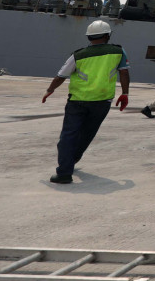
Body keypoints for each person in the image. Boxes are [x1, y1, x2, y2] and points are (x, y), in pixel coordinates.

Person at [42, 20, 129, 183]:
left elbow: (61, 75)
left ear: (89, 37)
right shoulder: (118, 51)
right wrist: (125, 93)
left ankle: (64, 173)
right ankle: (72, 159)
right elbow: (124, 73)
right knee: (87, 134)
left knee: (68, 136)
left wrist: (49, 90)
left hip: (78, 102)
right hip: (102, 102)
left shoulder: (78, 55)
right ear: (108, 35)